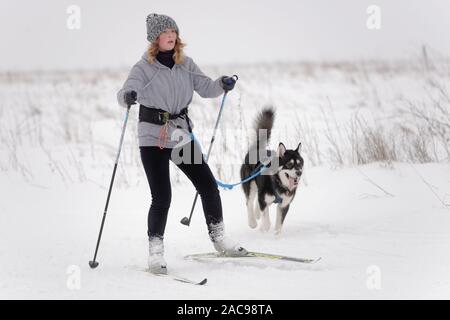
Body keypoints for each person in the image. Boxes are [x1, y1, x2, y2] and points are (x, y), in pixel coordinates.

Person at [117, 13, 247, 274]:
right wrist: (128, 96)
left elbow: (206, 88)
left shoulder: (185, 63)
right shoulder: (143, 68)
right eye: (165, 33)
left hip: (179, 135)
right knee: (162, 196)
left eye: (173, 32)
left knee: (208, 187)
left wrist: (222, 84)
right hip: (152, 137)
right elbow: (124, 93)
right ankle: (156, 254)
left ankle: (220, 239)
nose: (171, 36)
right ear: (155, 38)